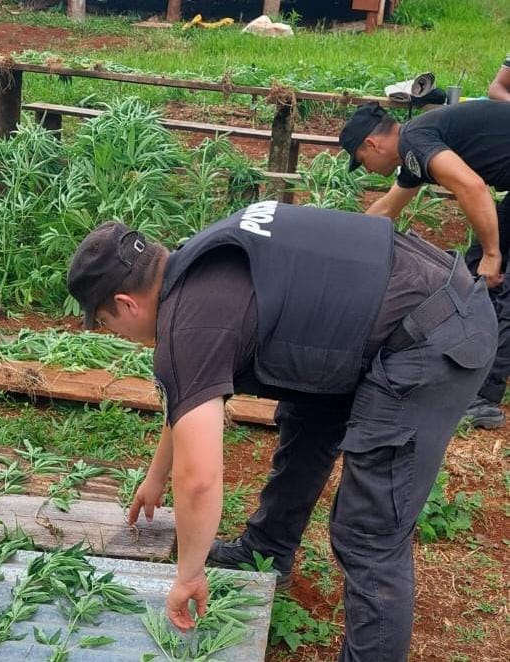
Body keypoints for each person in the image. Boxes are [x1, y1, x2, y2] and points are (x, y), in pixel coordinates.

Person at [66, 203, 497, 662]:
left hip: (432, 336)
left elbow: (200, 480)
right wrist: (155, 476)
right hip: (413, 300)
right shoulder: (195, 263)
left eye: (110, 326)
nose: (120, 337)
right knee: (307, 418)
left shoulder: (191, 322)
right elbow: (189, 397)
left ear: (125, 304)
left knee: (368, 531)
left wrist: (189, 574)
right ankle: (267, 552)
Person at [340, 100, 510, 428]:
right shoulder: (414, 154)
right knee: (477, 275)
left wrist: (494, 253)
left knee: (502, 286)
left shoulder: (415, 140)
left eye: (362, 161)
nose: (368, 169)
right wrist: (344, 243)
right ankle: (473, 378)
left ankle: (482, 398)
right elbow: (388, 208)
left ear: (372, 144)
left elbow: (471, 186)